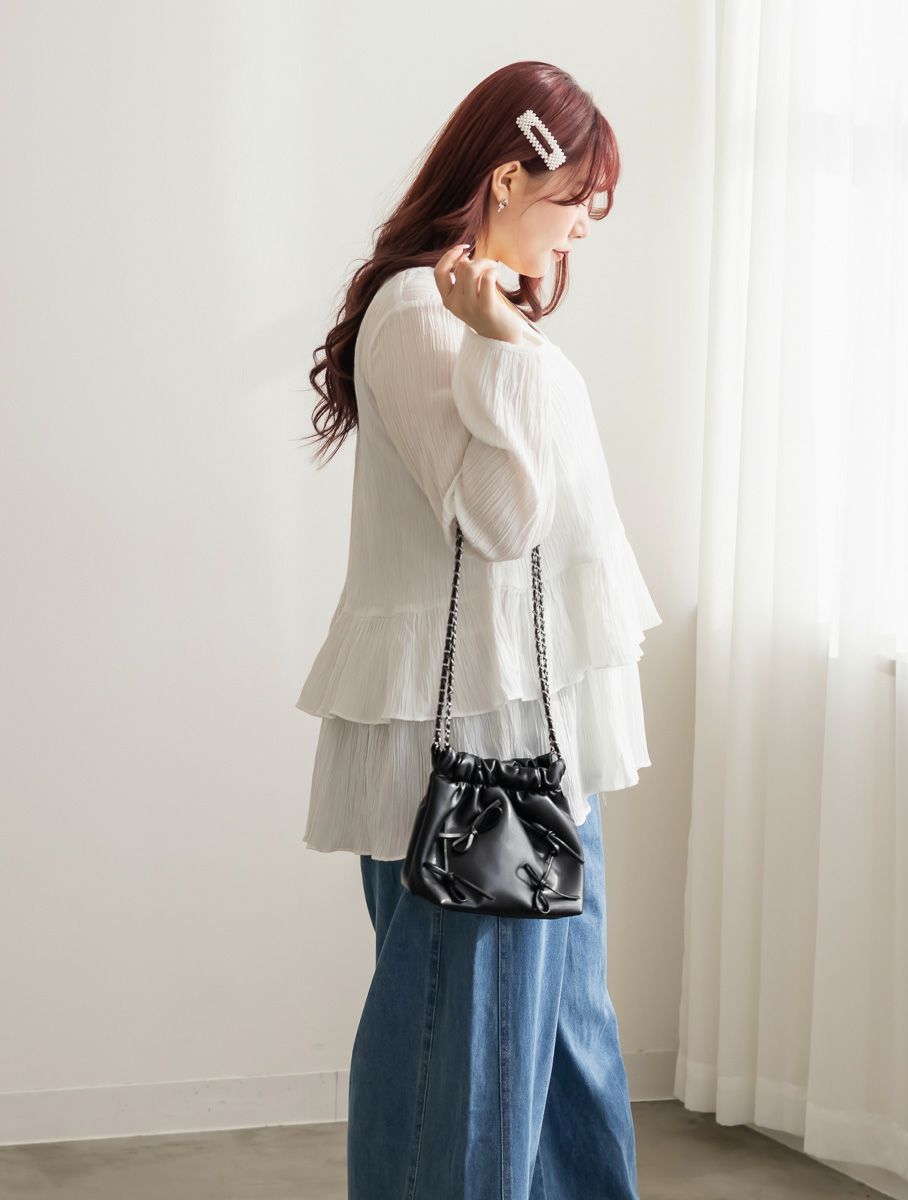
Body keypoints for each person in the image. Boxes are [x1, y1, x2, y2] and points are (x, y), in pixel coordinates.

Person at [295, 60, 661, 1200]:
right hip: (469, 759)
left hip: (539, 750)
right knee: (465, 1072)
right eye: (573, 201)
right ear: (508, 178)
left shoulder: (483, 312)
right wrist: (498, 337)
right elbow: (501, 525)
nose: (582, 231)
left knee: (564, 1056)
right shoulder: (422, 312)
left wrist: (503, 331)